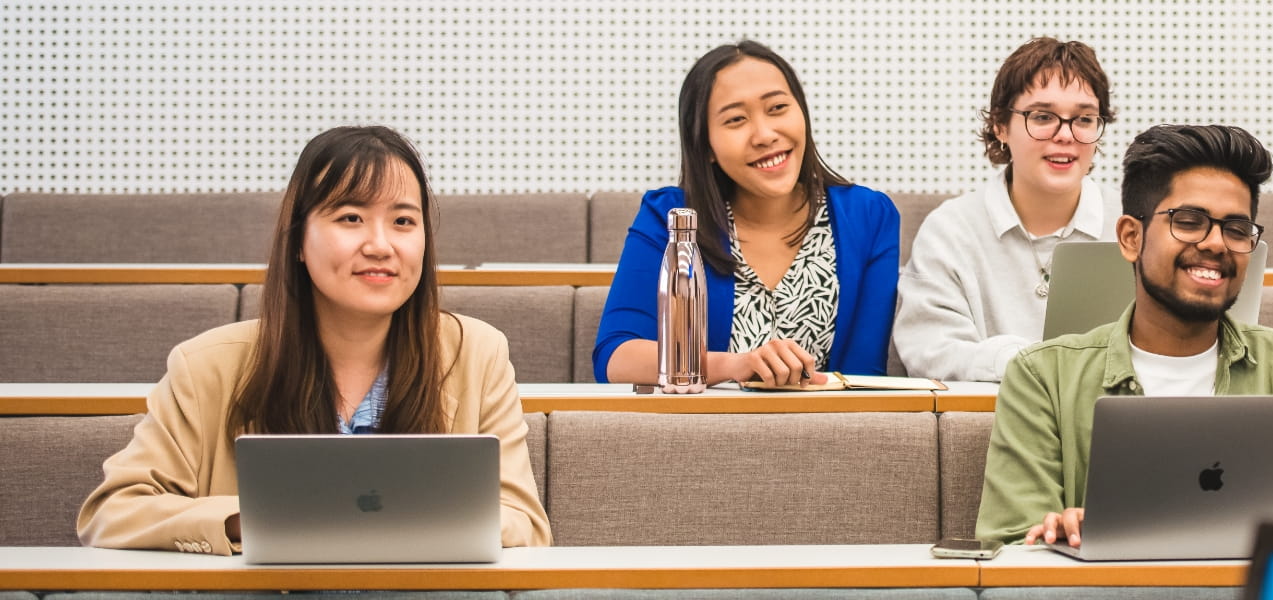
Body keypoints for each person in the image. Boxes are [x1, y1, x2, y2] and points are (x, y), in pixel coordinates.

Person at [76, 126, 552, 555]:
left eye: (403, 222)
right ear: (299, 241)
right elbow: (113, 512)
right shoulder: (204, 367)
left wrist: (399, 518)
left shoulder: (478, 353)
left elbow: (525, 524)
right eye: (350, 218)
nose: (381, 245)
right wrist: (249, 520)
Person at [975, 124, 1273, 546]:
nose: (1217, 244)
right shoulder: (1043, 377)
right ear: (1131, 238)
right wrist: (1058, 535)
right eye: (1189, 222)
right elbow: (1009, 545)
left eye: (1238, 229)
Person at [595, 40, 899, 386]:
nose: (765, 135)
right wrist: (735, 366)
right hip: (698, 433)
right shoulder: (669, 215)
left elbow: (863, 375)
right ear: (705, 145)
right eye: (736, 119)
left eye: (778, 108)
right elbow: (616, 358)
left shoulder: (869, 216)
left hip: (827, 434)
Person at [893, 37, 1122, 382]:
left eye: (1084, 119)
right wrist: (1033, 365)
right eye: (1043, 116)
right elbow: (930, 351)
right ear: (1000, 125)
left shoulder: (1132, 224)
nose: (1066, 135)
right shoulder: (950, 230)